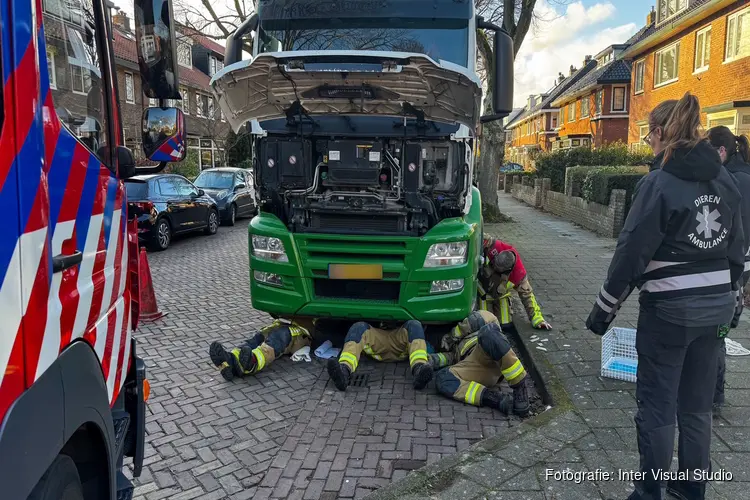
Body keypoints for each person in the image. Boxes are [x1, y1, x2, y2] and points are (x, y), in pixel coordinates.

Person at [586, 93, 744, 500]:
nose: (649, 147)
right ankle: (691, 491)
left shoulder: (659, 183)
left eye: (648, 138)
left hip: (670, 314)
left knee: (657, 407)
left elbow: (632, 253)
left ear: (659, 133)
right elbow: (736, 248)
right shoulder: (724, 180)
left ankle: (649, 493)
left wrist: (604, 310)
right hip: (716, 311)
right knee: (696, 406)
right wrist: (735, 303)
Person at [707, 126, 750, 412]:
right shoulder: (746, 176)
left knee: (714, 336)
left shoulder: (727, 181)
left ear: (721, 151)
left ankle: (712, 396)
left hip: (728, 267)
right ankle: (714, 396)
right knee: (720, 333)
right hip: (743, 267)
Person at [430, 310, 530, 417]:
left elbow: (482, 317)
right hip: (474, 366)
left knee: (488, 333)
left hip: (492, 351)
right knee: (442, 379)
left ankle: (520, 387)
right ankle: (494, 399)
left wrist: (452, 336)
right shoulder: (452, 352)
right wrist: (426, 362)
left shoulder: (477, 326)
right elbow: (440, 359)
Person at [326, 320, 433, 391]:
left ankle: (419, 371)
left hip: (399, 337)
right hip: (380, 338)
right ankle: (343, 372)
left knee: (415, 325)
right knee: (358, 327)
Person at [209, 317, 315, 381]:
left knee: (279, 337)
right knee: (259, 336)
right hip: (285, 323)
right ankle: (231, 361)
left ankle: (253, 363)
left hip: (304, 333)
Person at [480, 237, 551, 331]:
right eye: (494, 265)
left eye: (498, 269)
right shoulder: (495, 246)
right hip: (482, 292)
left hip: (501, 295)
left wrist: (537, 320)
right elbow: (480, 235)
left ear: (508, 270)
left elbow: (527, 295)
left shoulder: (519, 274)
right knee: (485, 324)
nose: (494, 268)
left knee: (505, 325)